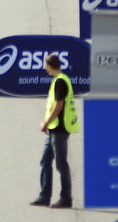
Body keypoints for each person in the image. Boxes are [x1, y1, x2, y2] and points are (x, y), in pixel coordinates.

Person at [31, 53, 79, 209]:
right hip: (54, 128)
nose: (45, 69)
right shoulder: (60, 80)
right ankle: (44, 196)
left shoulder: (60, 82)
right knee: (45, 160)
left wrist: (46, 122)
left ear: (50, 66)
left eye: (46, 66)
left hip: (59, 129)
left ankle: (66, 198)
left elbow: (58, 106)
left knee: (61, 164)